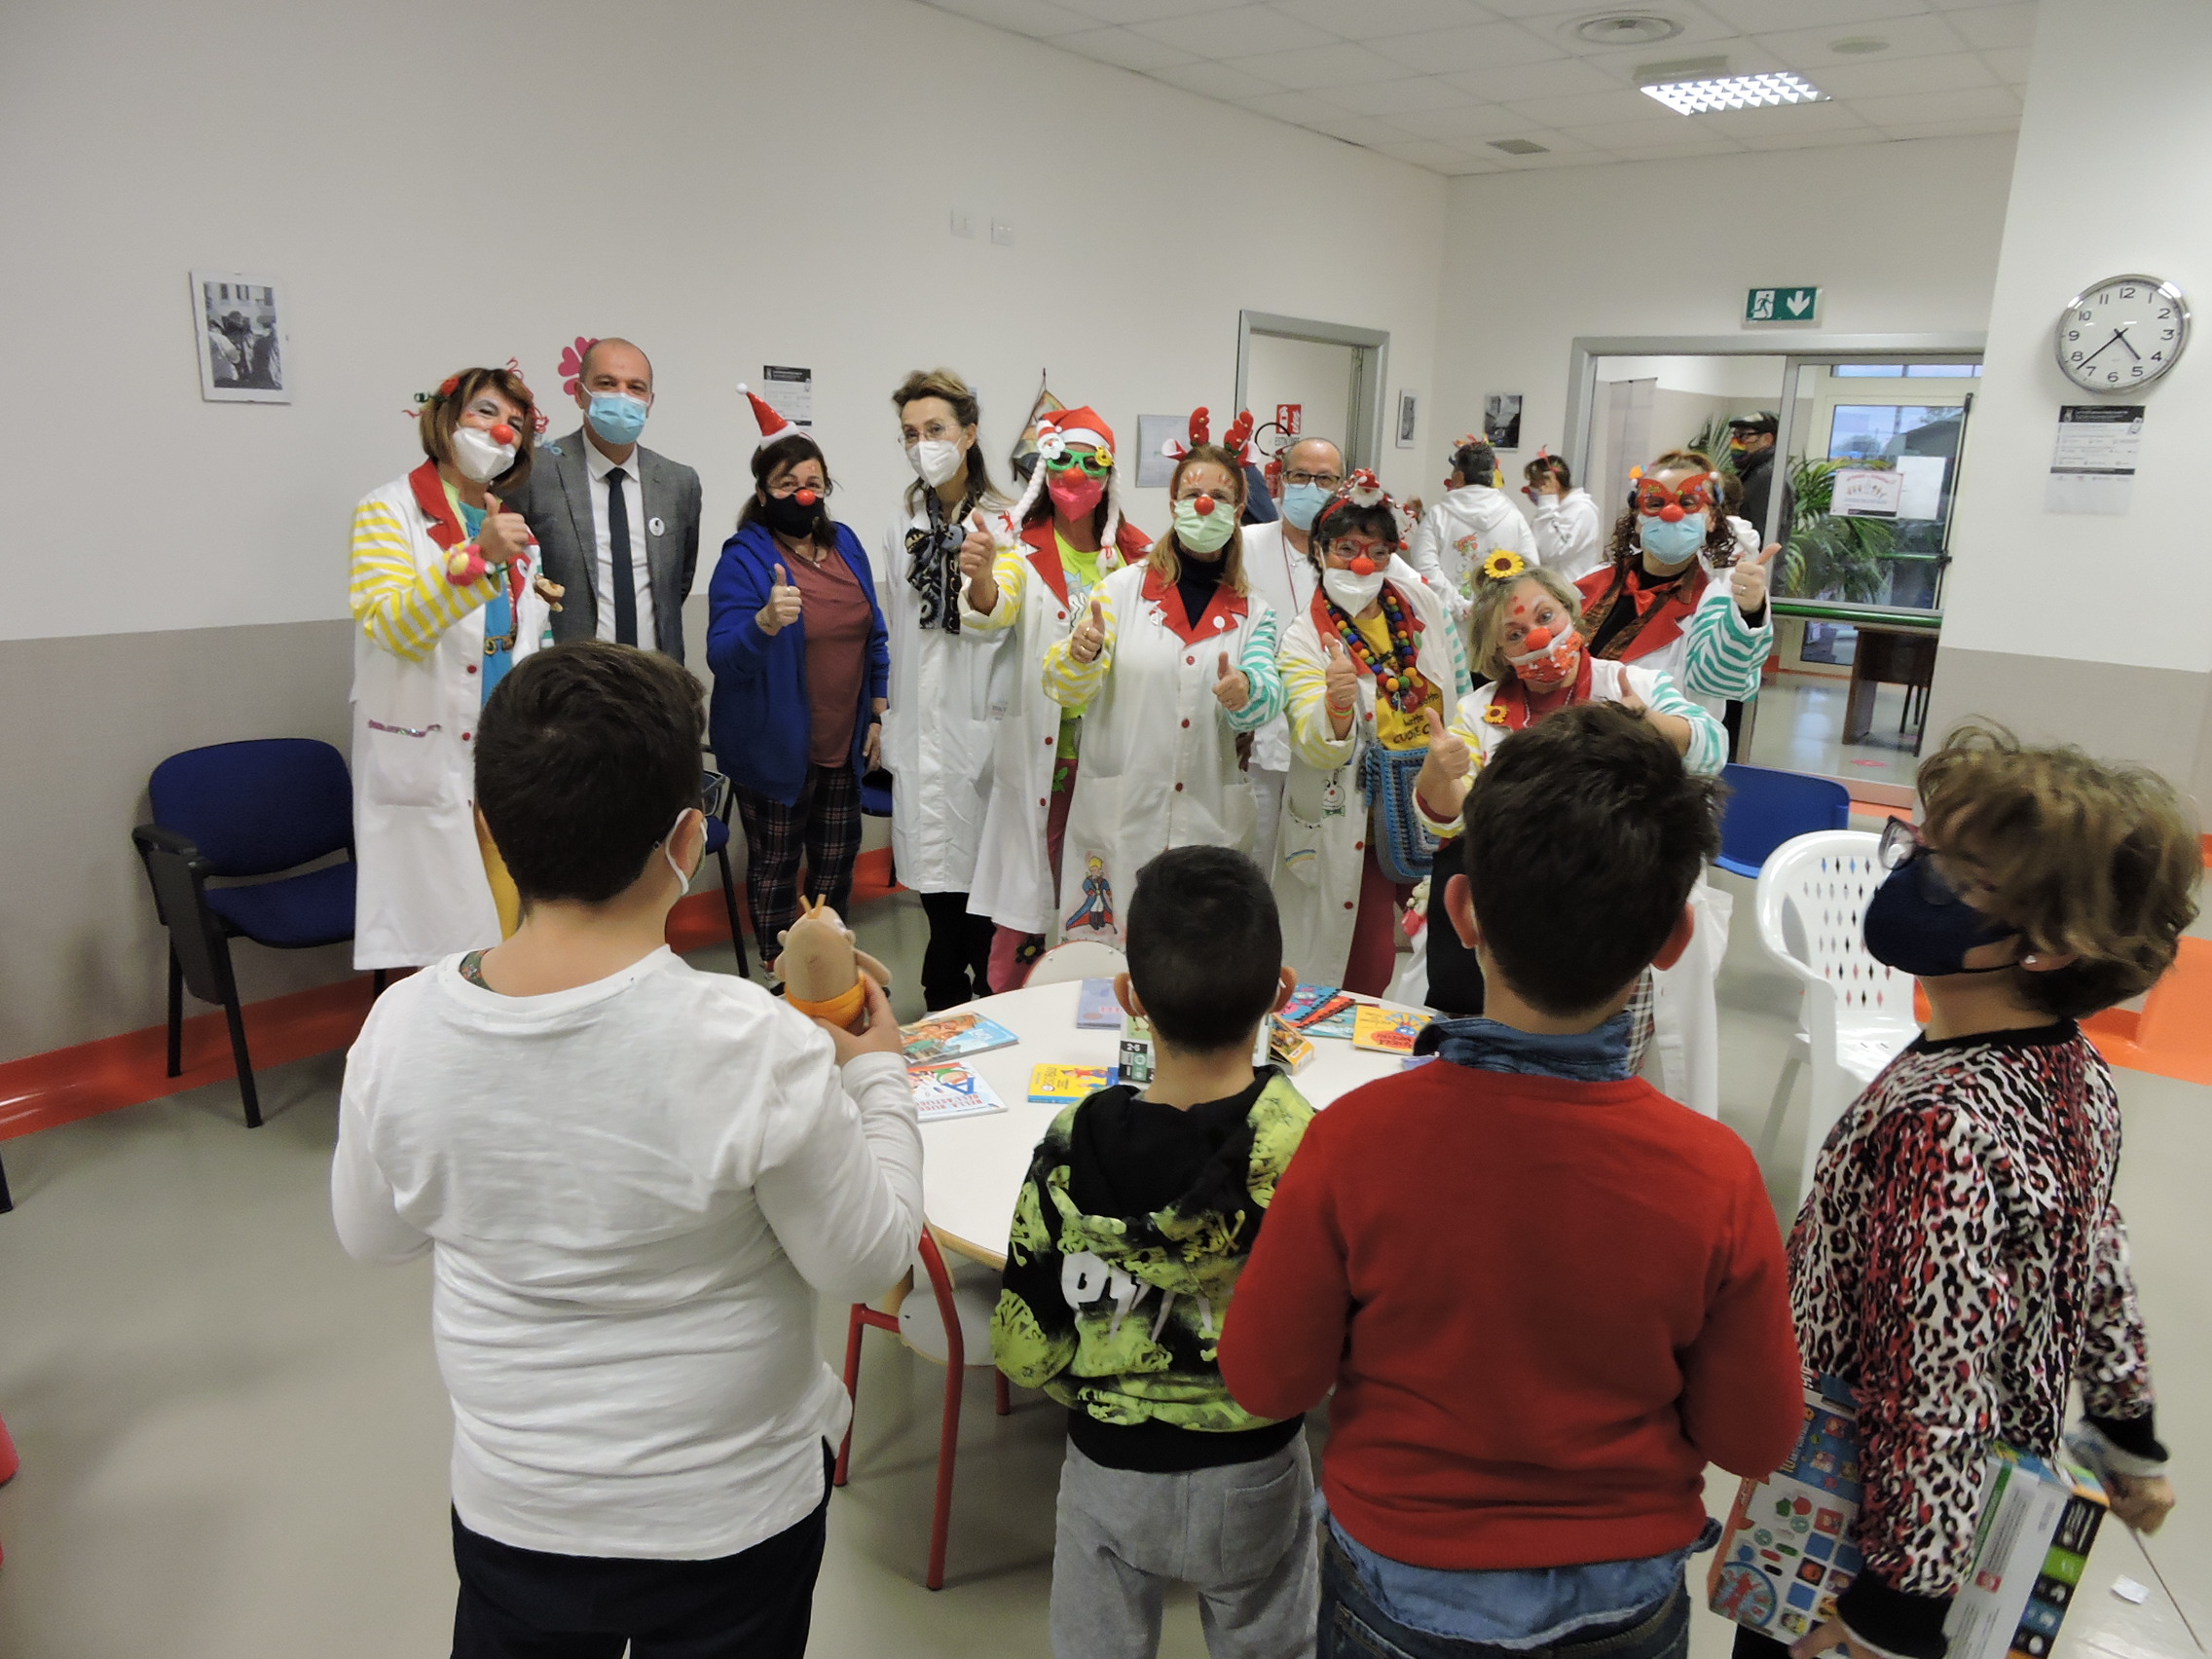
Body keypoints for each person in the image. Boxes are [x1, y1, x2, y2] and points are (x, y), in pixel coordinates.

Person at [331, 640, 922, 1659]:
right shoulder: (754, 1040)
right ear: (689, 839)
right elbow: (869, 1262)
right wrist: (874, 1072)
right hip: (729, 1521)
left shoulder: (400, 1030)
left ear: (489, 832)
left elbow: (370, 1235)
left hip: (516, 1513)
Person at [1219, 703, 1803, 1659]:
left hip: (1398, 1593)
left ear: (1460, 913)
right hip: (1628, 1602)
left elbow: (1263, 1377)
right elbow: (1755, 1437)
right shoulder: (1715, 1178)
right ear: (1673, 941)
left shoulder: (1355, 1141)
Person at [1763, 724, 2193, 1659]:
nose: (1913, 876)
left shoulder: (1941, 1123)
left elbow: (1935, 1378)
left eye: (1958, 875)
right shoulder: (2075, 1072)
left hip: (1865, 1530)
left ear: (2045, 946)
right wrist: (2129, 1431)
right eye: (1920, 848)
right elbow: (2094, 1252)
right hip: (1986, 1501)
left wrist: (1891, 1612)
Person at [991, 845, 1315, 1659]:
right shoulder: (1309, 1147)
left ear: (1128, 999)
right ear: (1282, 994)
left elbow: (1023, 1342)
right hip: (1257, 1470)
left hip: (1111, 1468)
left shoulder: (1073, 1142)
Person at [1413, 559, 1728, 1114]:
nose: (1538, 636)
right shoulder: (1478, 712)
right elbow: (1447, 819)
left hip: (1620, 917)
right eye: (1515, 634)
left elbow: (1709, 744)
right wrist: (1440, 771)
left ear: (1571, 613)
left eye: (1546, 615)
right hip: (1527, 924)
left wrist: (1647, 723)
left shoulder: (1631, 683)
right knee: (1518, 1079)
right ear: (1498, 655)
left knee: (1606, 1079)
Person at [1041, 421, 1286, 947]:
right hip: (1122, 814)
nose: (1205, 505)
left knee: (1194, 965)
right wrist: (1080, 656)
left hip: (1207, 815)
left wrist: (1245, 691)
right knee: (1108, 971)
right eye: (1193, 493)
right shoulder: (1118, 593)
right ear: (1173, 502)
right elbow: (1064, 687)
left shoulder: (1256, 614)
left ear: (1239, 512)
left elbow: (1267, 695)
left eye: (1219, 496)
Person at [349, 364, 559, 968]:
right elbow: (391, 627)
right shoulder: (386, 513)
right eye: (486, 413)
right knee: (437, 944)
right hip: (427, 751)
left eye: (516, 424)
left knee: (506, 923)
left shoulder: (513, 530)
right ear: (445, 419)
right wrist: (476, 559)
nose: (501, 433)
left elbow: (525, 641)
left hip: (503, 754)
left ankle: (502, 1044)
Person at [960, 407, 1153, 989]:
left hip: (1108, 754)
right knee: (1029, 893)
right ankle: (1012, 997)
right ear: (1045, 470)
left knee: (1100, 882)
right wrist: (982, 577)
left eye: (1088, 464)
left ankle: (1095, 994)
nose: (1073, 477)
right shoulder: (1020, 548)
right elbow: (995, 609)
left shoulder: (1136, 557)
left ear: (1109, 475)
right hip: (1046, 754)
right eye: (1061, 462)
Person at [706, 404, 890, 970]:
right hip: (774, 745)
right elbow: (722, 656)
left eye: (814, 483)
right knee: (777, 867)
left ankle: (830, 964)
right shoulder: (745, 558)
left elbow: (874, 632)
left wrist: (879, 710)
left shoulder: (848, 544)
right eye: (788, 483)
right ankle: (783, 972)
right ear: (763, 492)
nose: (803, 494)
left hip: (845, 741)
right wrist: (764, 623)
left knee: (837, 862)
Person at [1273, 472, 1469, 998]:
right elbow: (1311, 745)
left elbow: (1462, 683)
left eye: (1378, 551)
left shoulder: (1420, 607)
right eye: (1347, 549)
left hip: (1433, 793)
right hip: (1358, 814)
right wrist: (1337, 706)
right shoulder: (1302, 637)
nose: (1362, 563)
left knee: (1450, 944)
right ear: (1319, 550)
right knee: (1366, 963)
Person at [877, 369, 1010, 1010]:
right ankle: (942, 991)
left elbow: (1009, 625)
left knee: (983, 885)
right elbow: (896, 631)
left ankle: (979, 990)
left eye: (935, 429)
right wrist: (887, 712)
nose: (922, 443)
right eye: (910, 433)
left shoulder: (1006, 524)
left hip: (981, 726)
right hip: (921, 730)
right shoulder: (898, 525)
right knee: (935, 879)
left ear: (969, 433)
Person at [516, 337, 704, 662]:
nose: (622, 396)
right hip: (566, 681)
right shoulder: (533, 472)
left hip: (657, 680)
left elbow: (676, 585)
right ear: (579, 393)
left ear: (650, 400)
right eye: (606, 383)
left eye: (635, 387)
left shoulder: (678, 482)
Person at [1576, 449, 1776, 724]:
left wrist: (1749, 611)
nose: (1671, 513)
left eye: (1689, 502)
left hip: (1655, 752)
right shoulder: (1590, 584)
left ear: (1712, 519)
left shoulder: (1715, 601)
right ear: (1637, 517)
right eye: (1656, 502)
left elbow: (1724, 681)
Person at [1239, 436, 1345, 870]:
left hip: (1331, 731)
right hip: (1257, 737)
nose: (1310, 486)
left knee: (1317, 870)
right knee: (1254, 860)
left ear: (1340, 487)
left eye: (1323, 479)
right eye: (1299, 476)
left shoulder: (1351, 553)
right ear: (1279, 482)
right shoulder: (1242, 545)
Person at [1405, 435, 1537, 619]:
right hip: (1498, 620)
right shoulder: (1514, 517)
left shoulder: (1438, 516)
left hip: (1447, 621)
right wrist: (1498, 607)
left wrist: (1460, 606)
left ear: (1459, 476)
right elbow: (1530, 567)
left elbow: (1424, 568)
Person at [1522, 452, 1604, 581]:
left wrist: (1547, 502)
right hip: (1553, 587)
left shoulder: (1582, 511)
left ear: (1555, 484)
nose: (1531, 490)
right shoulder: (1553, 510)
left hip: (1572, 591)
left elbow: (1550, 550)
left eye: (1535, 485)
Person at [1726, 412, 1791, 543]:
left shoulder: (1770, 477)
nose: (1735, 442)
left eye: (1743, 436)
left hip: (1757, 559)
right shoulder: (1753, 470)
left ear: (1767, 439)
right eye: (1734, 435)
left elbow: (1765, 533)